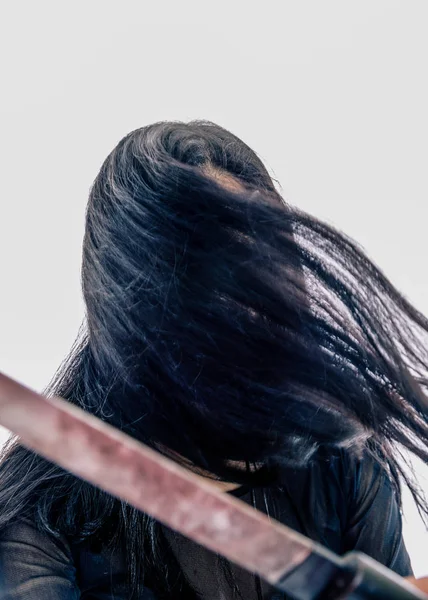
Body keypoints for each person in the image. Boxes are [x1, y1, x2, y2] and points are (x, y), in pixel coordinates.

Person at [0, 120, 428, 600]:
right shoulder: (42, 518)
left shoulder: (341, 463)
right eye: (197, 279)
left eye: (252, 267)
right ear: (129, 308)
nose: (238, 310)